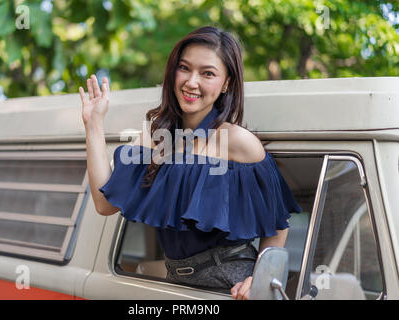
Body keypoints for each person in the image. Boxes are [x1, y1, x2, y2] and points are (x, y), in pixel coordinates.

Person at [79, 26, 302, 300]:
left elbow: (278, 223)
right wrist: (94, 126)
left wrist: (259, 277)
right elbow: (104, 204)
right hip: (174, 281)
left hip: (230, 283)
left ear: (227, 83)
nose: (191, 82)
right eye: (184, 68)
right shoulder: (153, 137)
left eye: (207, 73)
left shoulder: (239, 143)